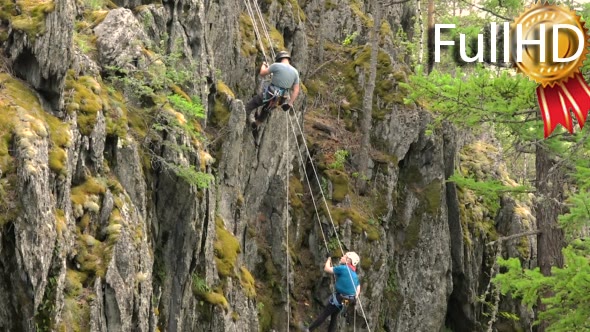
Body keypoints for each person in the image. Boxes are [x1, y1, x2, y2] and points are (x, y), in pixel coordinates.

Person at [301, 252, 361, 332]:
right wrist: (354, 297)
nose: (342, 256)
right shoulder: (354, 275)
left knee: (325, 314)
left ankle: (308, 330)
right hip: (348, 300)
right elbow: (358, 287)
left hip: (340, 298)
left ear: (348, 260)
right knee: (334, 315)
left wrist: (329, 258)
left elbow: (327, 269)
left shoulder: (343, 268)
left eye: (344, 256)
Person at [245, 50, 300, 126]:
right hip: (281, 98)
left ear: (279, 59)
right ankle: (256, 124)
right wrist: (289, 103)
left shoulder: (276, 65)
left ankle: (242, 118)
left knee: (253, 103)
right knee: (267, 109)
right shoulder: (295, 72)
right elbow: (296, 90)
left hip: (270, 93)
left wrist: (264, 65)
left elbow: (262, 73)